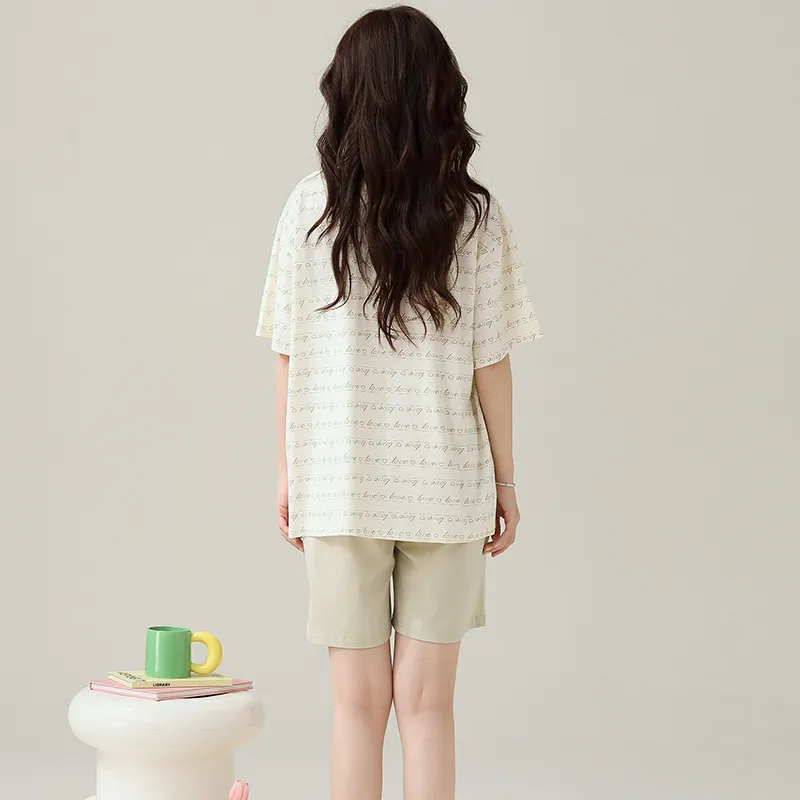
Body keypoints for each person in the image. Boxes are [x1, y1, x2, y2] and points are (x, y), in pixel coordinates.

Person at [255, 6, 542, 800]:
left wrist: (287, 473)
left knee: (355, 707)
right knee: (427, 705)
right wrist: (506, 481)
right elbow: (492, 361)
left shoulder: (308, 209)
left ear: (346, 93)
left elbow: (288, 352)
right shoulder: (476, 217)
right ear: (439, 93)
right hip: (446, 488)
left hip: (339, 484)